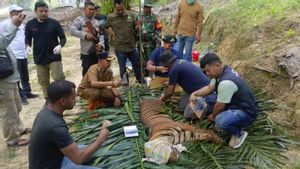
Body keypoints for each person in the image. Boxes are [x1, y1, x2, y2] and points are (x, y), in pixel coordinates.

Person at [29, 80, 110, 169]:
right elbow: (79, 158)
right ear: (62, 101)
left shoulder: (48, 109)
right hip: (55, 165)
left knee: (97, 151)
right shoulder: (55, 126)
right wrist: (101, 138)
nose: (76, 100)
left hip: (56, 157)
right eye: (73, 98)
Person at [190, 53, 259, 148]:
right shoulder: (223, 71)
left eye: (208, 70)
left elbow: (219, 106)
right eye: (205, 72)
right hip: (235, 102)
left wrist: (213, 116)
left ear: (217, 65)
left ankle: (239, 133)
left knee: (220, 121)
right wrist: (194, 94)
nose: (207, 74)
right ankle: (229, 118)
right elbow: (209, 88)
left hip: (247, 111)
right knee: (209, 99)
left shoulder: (226, 82)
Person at [25, 1, 66, 100]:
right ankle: (48, 100)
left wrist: (60, 46)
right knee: (43, 81)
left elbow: (63, 38)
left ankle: (62, 97)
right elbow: (28, 38)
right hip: (39, 57)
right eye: (41, 11)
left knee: (59, 78)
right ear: (35, 11)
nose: (44, 13)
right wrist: (28, 46)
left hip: (54, 56)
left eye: (46, 11)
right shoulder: (30, 24)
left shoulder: (54, 23)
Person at [0, 11, 29, 147]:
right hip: (2, 81)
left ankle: (18, 129)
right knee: (8, 110)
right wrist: (14, 26)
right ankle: (12, 140)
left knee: (16, 106)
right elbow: (2, 42)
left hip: (10, 78)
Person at [0, 5, 39, 105]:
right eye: (17, 12)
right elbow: (3, 40)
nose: (20, 13)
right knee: (16, 77)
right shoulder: (4, 24)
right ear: (11, 13)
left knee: (24, 75)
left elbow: (24, 36)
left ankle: (27, 91)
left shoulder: (21, 24)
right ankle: (21, 96)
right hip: (13, 54)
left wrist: (27, 46)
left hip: (22, 53)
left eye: (21, 11)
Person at [104, 0, 143, 85]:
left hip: (131, 46)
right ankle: (126, 85)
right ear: (115, 8)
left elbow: (135, 28)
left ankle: (141, 82)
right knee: (122, 68)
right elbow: (105, 26)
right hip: (120, 47)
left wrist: (138, 25)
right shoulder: (111, 17)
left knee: (136, 65)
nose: (120, 11)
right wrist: (111, 33)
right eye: (118, 10)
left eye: (122, 9)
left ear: (124, 6)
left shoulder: (131, 15)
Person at [70, 2, 104, 77]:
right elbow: (72, 30)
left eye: (93, 9)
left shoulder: (96, 22)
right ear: (84, 9)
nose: (92, 11)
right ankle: (85, 88)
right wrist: (84, 35)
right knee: (87, 72)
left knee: (98, 71)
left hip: (98, 51)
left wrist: (101, 45)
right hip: (87, 52)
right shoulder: (79, 20)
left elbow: (101, 35)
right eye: (90, 9)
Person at [136, 1, 162, 65]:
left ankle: (152, 73)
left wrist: (158, 45)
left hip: (151, 43)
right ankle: (145, 73)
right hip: (141, 43)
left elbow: (159, 31)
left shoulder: (155, 18)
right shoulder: (138, 17)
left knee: (151, 60)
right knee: (142, 61)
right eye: (146, 7)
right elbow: (135, 29)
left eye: (149, 7)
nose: (147, 9)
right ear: (143, 7)